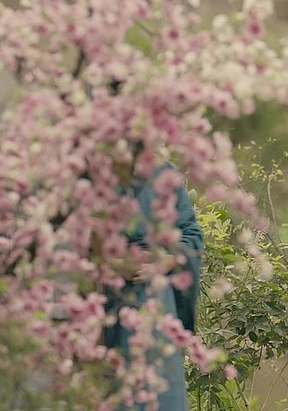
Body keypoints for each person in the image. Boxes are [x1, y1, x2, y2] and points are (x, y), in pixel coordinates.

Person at [103, 162, 204, 411]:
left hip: (156, 298)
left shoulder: (164, 173)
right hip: (107, 298)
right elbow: (78, 237)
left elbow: (191, 234)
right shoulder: (97, 169)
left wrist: (164, 262)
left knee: (160, 383)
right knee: (113, 385)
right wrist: (115, 264)